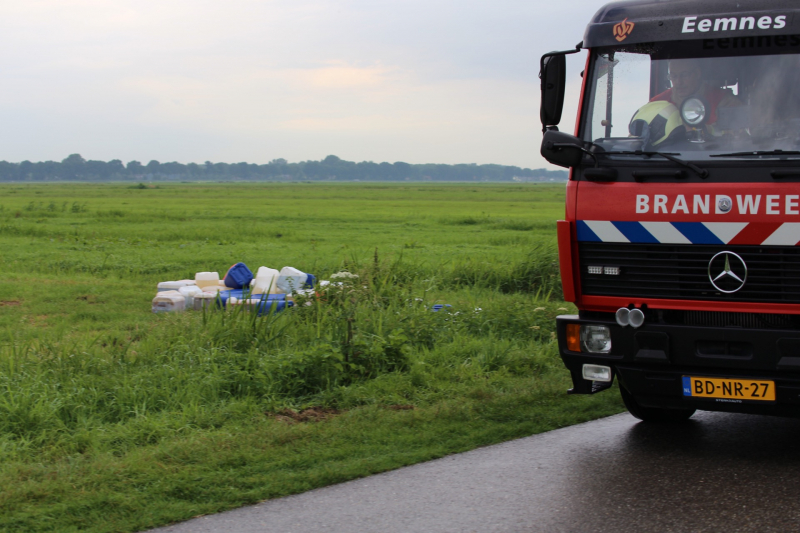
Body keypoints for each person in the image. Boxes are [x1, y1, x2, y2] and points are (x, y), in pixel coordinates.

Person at [649, 59, 740, 131]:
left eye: (684, 75)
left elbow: (737, 135)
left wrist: (704, 130)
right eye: (673, 76)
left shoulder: (723, 101)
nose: (678, 82)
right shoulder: (657, 103)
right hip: (666, 154)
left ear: (697, 73)